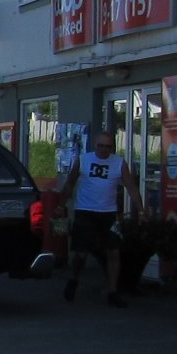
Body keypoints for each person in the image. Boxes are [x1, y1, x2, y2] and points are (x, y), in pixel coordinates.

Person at [54, 131, 143, 307]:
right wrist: (60, 205)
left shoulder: (119, 163)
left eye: (107, 146)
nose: (103, 149)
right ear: (95, 145)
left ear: (112, 147)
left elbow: (131, 187)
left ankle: (112, 292)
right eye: (100, 146)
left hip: (108, 213)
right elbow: (70, 183)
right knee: (81, 254)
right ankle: (74, 279)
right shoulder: (83, 160)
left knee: (113, 252)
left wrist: (141, 210)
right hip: (85, 211)